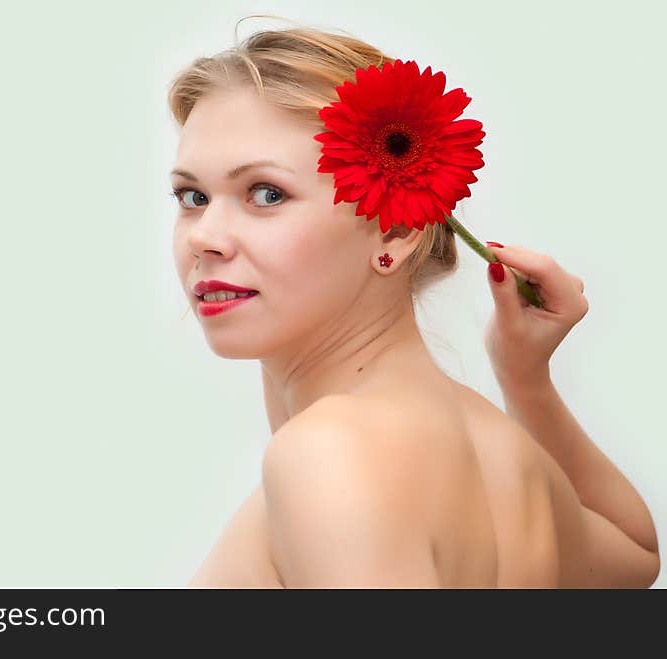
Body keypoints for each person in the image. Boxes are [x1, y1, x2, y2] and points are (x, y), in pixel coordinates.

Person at [167, 22, 660, 588]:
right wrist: (526, 379)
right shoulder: (504, 450)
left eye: (267, 193)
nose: (204, 235)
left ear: (396, 231)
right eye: (193, 197)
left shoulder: (326, 457)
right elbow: (634, 553)